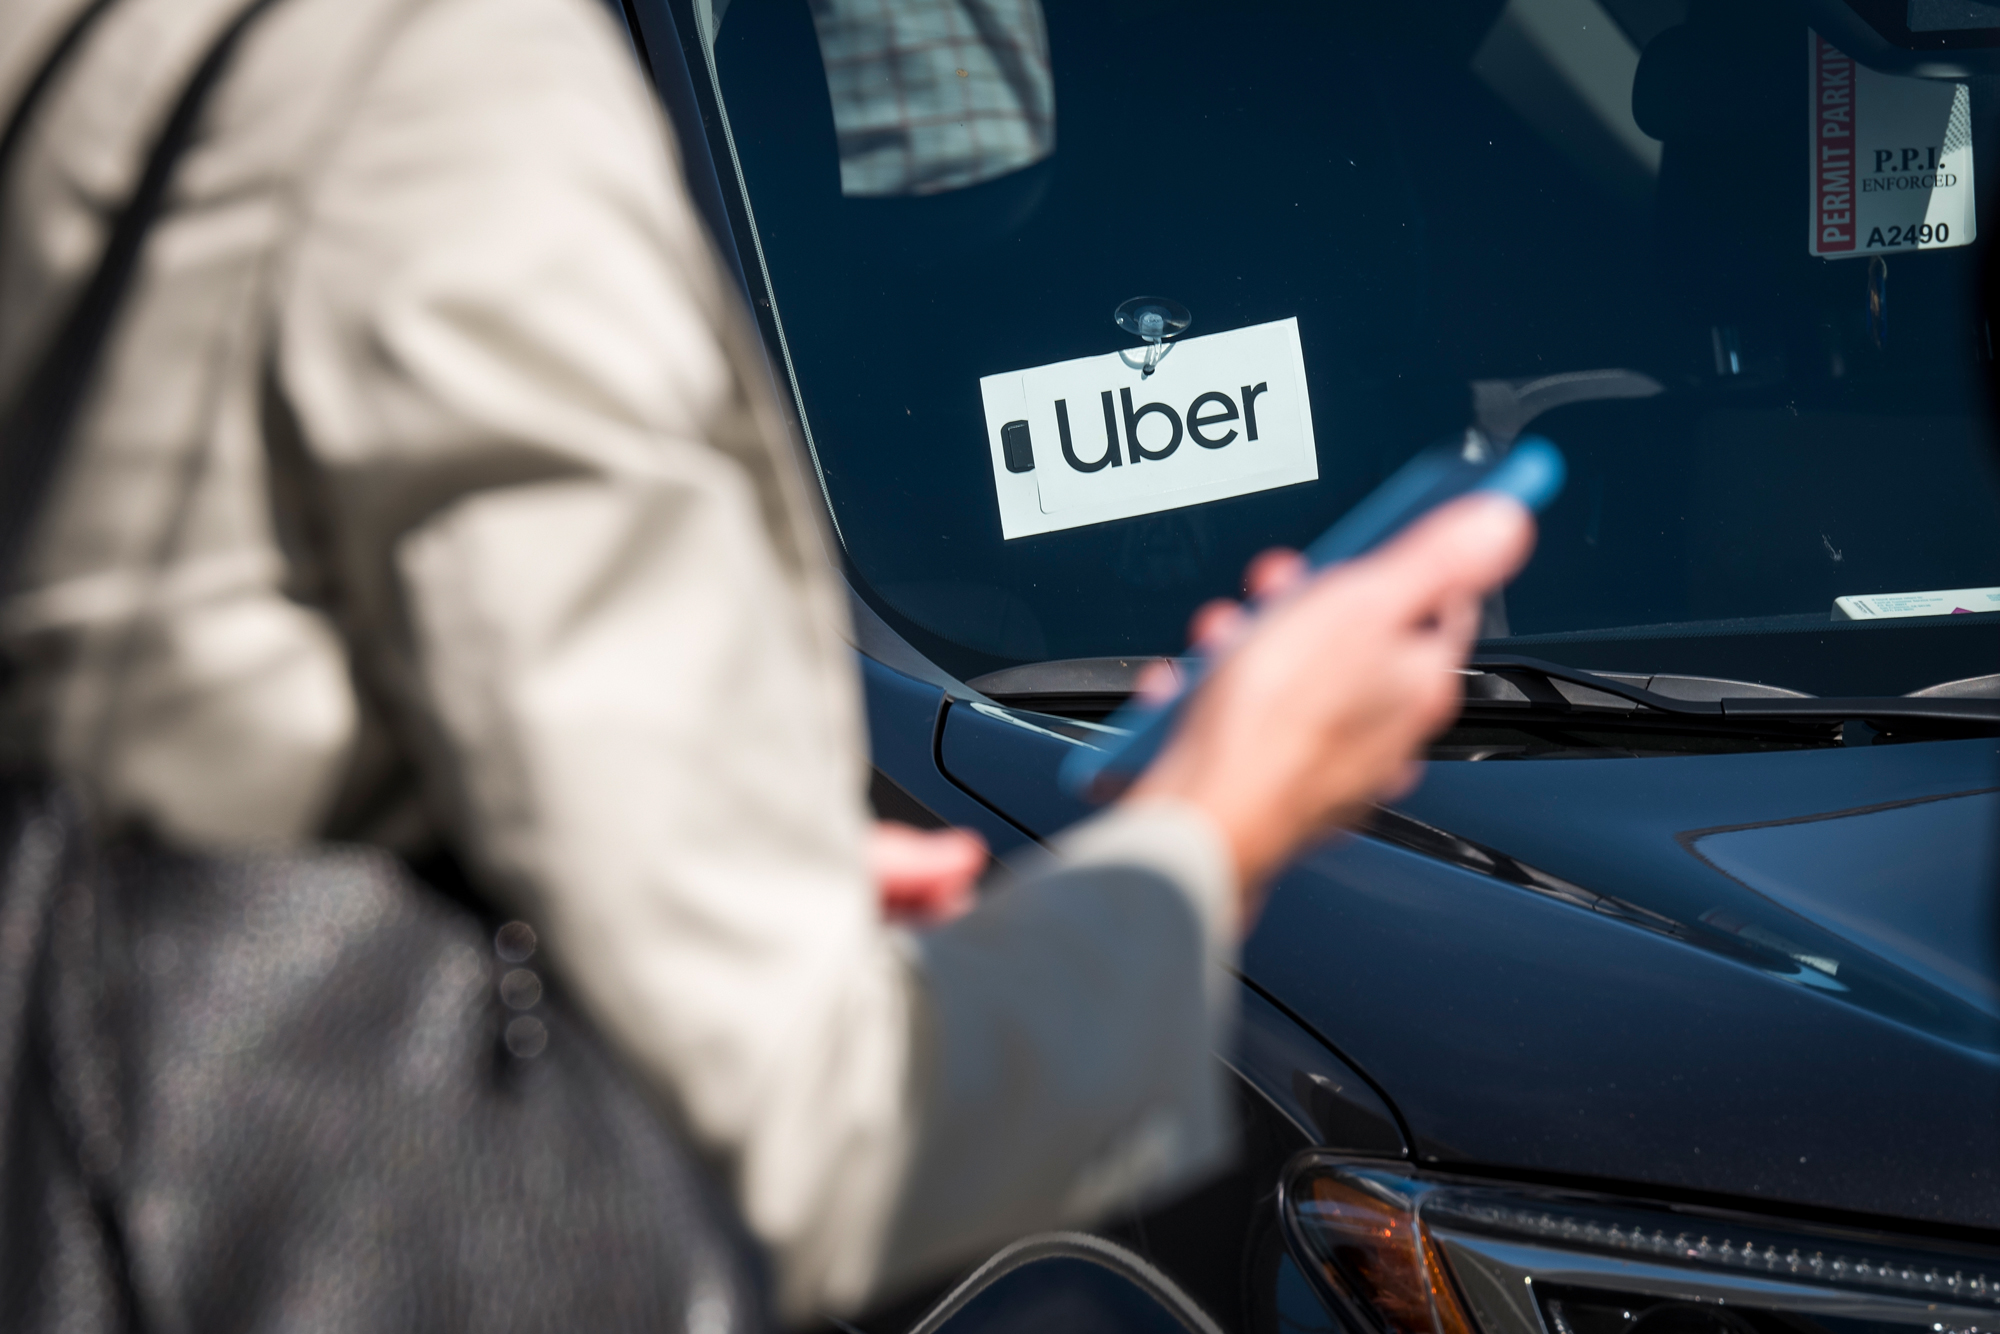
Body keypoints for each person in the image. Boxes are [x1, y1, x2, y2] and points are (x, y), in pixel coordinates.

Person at [0, 0, 1533, 1323]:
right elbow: (825, 1135)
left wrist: (674, 881)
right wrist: (1218, 820)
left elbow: (233, 704)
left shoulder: (157, 71)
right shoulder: (420, 108)